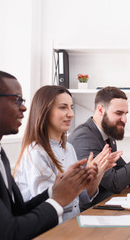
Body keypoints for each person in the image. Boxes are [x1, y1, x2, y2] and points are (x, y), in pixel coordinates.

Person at [0, 69, 96, 239]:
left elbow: (17, 212)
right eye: (16, 100)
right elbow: (6, 233)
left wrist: (54, 191)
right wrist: (58, 200)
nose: (24, 107)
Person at [14, 85, 120, 221]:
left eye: (71, 107)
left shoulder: (68, 148)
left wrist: (98, 173)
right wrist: (71, 183)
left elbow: (82, 199)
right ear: (44, 111)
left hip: (70, 225)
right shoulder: (36, 152)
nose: (71, 114)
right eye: (63, 107)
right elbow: (48, 205)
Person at [68, 86, 130, 210]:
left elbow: (126, 179)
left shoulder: (108, 135)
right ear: (100, 110)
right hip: (87, 213)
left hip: (105, 207)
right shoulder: (84, 137)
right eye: (119, 113)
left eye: (125, 114)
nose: (124, 119)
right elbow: (114, 183)